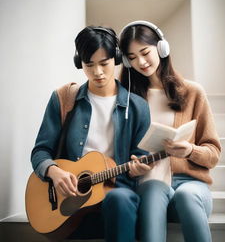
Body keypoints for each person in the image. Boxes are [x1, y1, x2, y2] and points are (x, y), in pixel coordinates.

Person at [30, 25, 151, 242]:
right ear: (80, 63)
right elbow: (40, 151)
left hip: (116, 194)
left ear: (116, 59)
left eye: (104, 63)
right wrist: (54, 172)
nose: (98, 72)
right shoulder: (63, 98)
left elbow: (139, 157)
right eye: (89, 65)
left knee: (120, 199)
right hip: (70, 199)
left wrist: (138, 168)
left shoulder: (138, 107)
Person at [119, 20, 221, 242]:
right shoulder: (127, 99)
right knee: (153, 190)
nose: (141, 62)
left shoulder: (193, 92)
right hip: (149, 186)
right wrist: (132, 169)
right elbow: (117, 153)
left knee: (187, 195)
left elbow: (213, 153)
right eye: (132, 57)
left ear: (162, 47)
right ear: (126, 61)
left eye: (145, 52)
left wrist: (190, 151)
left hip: (190, 186)